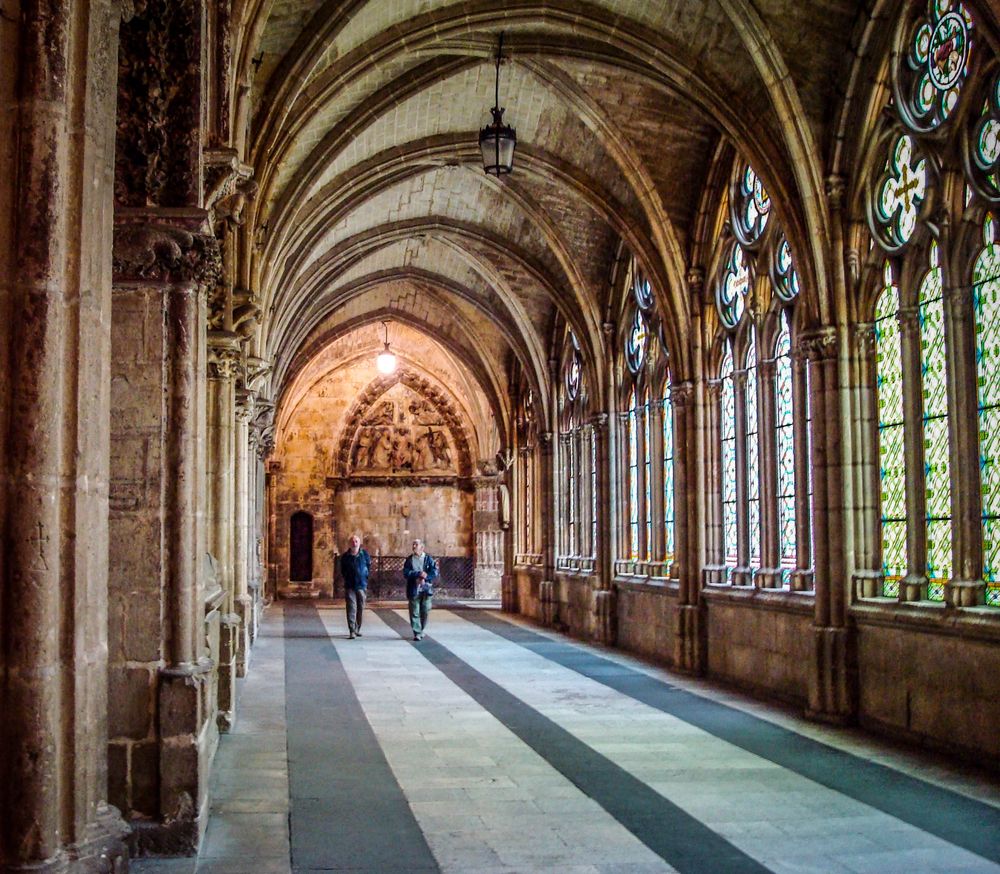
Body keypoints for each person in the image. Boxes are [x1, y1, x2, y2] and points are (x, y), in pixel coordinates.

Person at [403, 538, 438, 641]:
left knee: (425, 610)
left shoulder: (429, 559)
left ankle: (421, 629)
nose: (414, 546)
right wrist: (417, 574)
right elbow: (406, 573)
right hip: (414, 589)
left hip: (426, 589)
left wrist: (425, 577)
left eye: (416, 545)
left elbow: (435, 572)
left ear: (422, 547)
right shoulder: (409, 560)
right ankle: (417, 632)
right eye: (413, 544)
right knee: (414, 611)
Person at [339, 534, 370, 639]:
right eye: (352, 541)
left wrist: (364, 576)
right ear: (349, 543)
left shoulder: (364, 554)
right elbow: (343, 570)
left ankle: (357, 628)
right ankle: (352, 629)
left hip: (361, 584)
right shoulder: (345, 557)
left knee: (360, 607)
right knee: (351, 607)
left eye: (356, 541)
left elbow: (368, 566)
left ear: (359, 543)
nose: (354, 543)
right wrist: (348, 577)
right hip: (350, 585)